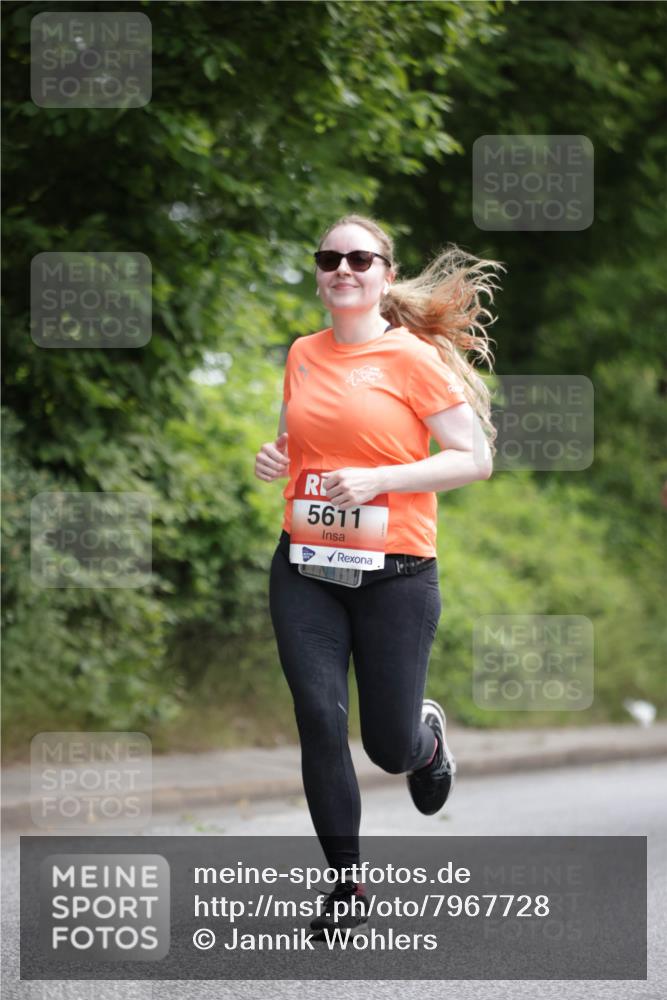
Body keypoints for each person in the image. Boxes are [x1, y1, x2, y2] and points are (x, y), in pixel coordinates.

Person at [255, 213, 503, 938]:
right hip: (305, 564)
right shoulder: (302, 352)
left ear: (384, 274)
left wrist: (378, 481)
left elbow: (472, 458)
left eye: (359, 258)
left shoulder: (412, 359)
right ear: (319, 271)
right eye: (329, 258)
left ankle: (423, 738)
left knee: (385, 748)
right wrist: (275, 458)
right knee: (319, 719)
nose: (343, 269)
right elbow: (297, 439)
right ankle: (346, 885)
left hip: (397, 571)